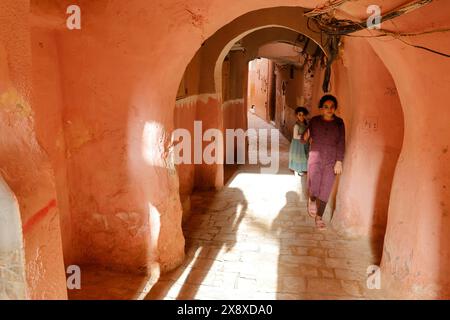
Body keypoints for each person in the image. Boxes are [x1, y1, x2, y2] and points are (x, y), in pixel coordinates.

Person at [301, 94, 345, 230]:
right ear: (321, 108)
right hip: (315, 157)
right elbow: (304, 139)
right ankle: (312, 199)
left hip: (331, 160)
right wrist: (306, 136)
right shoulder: (314, 121)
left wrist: (339, 161)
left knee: (326, 187)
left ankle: (319, 217)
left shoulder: (339, 123)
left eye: (332, 107)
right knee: (314, 183)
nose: (329, 109)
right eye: (326, 107)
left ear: (335, 108)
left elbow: (342, 142)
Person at [288, 107, 310, 176]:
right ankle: (298, 169)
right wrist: (304, 137)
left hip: (305, 142)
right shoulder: (296, 126)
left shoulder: (306, 124)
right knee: (300, 156)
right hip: (298, 144)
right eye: (299, 115)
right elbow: (295, 136)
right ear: (297, 115)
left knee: (305, 155)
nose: (301, 116)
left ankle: (304, 168)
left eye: (303, 115)